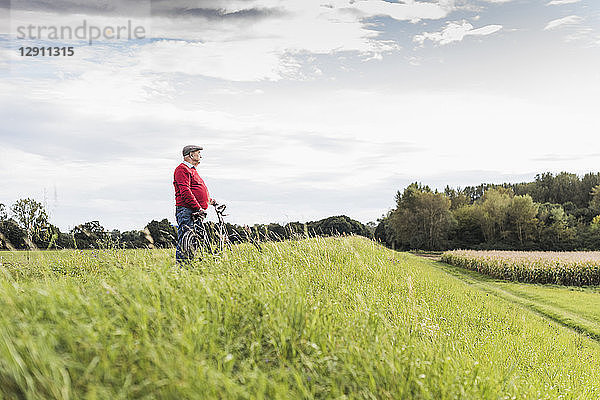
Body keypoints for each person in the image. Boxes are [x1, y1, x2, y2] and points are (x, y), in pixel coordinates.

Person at [173, 145, 216, 263]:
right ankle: (182, 267)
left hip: (195, 210)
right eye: (198, 153)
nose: (200, 156)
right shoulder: (182, 169)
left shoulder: (192, 170)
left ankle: (191, 265)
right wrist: (198, 207)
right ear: (191, 155)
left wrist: (209, 200)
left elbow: (197, 189)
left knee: (196, 239)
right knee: (186, 239)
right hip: (187, 210)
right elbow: (185, 191)